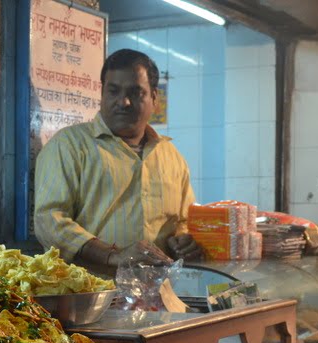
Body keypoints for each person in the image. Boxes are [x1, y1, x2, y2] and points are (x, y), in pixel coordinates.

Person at [34, 48, 201, 274]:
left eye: (135, 93)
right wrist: (113, 255)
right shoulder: (69, 146)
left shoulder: (172, 157)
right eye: (113, 91)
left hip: (160, 295)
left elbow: (183, 221)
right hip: (94, 297)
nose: (123, 102)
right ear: (102, 93)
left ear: (154, 97)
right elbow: (50, 221)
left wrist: (182, 240)